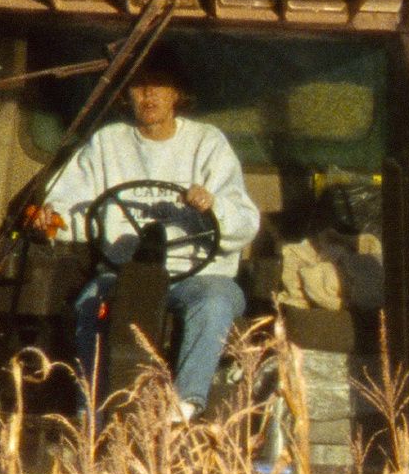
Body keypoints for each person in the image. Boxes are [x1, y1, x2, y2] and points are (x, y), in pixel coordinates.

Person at [17, 60, 260, 422]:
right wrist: (51, 219)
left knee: (216, 301)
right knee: (90, 304)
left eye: (159, 85)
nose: (149, 95)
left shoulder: (208, 144)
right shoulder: (107, 143)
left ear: (176, 94)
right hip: (124, 274)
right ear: (127, 96)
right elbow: (71, 206)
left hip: (198, 276)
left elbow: (244, 220)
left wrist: (213, 206)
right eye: (139, 86)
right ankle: (91, 414)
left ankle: (185, 406)